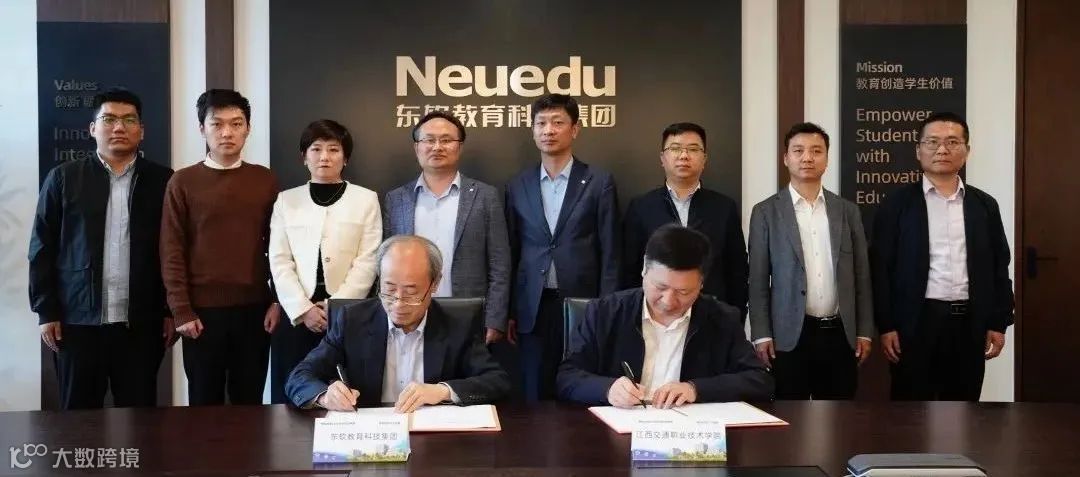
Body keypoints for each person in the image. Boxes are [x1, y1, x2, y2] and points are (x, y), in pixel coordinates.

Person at [29, 88, 174, 409]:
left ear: (141, 130)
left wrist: (170, 310)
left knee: (140, 418)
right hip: (77, 323)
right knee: (78, 417)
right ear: (93, 128)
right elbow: (42, 248)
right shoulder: (64, 178)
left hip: (142, 323)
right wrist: (46, 311)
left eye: (129, 120)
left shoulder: (165, 182)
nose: (119, 127)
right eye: (109, 119)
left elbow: (175, 252)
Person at [872, 112, 1014, 401]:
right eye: (932, 142)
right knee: (910, 410)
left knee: (963, 407)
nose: (942, 150)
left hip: (969, 323)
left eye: (952, 142)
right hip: (915, 323)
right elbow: (881, 268)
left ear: (967, 150)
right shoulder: (896, 204)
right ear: (918, 150)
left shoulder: (984, 205)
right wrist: (886, 325)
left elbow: (999, 267)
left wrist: (998, 322)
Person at [285, 235, 512, 411]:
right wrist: (325, 396)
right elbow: (299, 377)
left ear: (434, 284)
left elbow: (497, 381)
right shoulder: (352, 320)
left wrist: (442, 391)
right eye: (389, 289)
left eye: (411, 292)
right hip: (371, 437)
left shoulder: (457, 325)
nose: (398, 303)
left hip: (434, 438)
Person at [558, 224, 772, 407]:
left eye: (683, 292)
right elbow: (567, 377)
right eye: (660, 287)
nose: (669, 301)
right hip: (618, 430)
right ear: (644, 269)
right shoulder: (605, 313)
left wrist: (695, 389)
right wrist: (607, 389)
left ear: (701, 283)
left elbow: (759, 380)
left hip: (690, 431)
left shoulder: (721, 319)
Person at [160, 88, 281, 405]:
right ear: (202, 129)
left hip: (255, 310)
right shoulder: (182, 182)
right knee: (204, 402)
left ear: (248, 129)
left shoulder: (265, 181)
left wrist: (277, 301)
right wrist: (181, 310)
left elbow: (280, 247)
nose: (227, 132)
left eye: (236, 124)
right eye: (217, 124)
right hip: (201, 313)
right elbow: (171, 250)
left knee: (249, 402)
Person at [505, 93, 620, 400]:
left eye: (557, 122)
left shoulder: (598, 181)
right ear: (532, 130)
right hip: (533, 305)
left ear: (575, 129)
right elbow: (512, 250)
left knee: (580, 388)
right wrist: (510, 310)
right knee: (534, 392)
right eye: (541, 123)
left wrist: (607, 306)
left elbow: (611, 252)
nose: (548, 130)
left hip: (583, 303)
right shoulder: (518, 184)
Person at [748, 122, 874, 400]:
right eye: (799, 151)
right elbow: (757, 280)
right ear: (786, 158)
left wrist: (865, 331)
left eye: (816, 151)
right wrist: (761, 334)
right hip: (788, 335)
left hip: (840, 333)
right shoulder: (765, 212)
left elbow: (862, 276)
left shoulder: (847, 211)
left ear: (826, 159)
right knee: (790, 413)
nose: (807, 157)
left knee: (839, 416)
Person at [268, 119, 382, 404]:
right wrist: (303, 309)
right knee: (293, 393)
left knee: (347, 394)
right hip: (297, 314)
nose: (324, 157)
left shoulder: (366, 199)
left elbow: (368, 259)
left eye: (333, 149)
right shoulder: (286, 201)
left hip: (348, 314)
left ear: (346, 158)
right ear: (304, 157)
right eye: (316, 149)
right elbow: (280, 260)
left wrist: (337, 307)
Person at [384, 111, 511, 344]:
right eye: (429, 140)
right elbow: (386, 265)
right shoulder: (397, 199)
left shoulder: (485, 196)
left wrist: (495, 318)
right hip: (410, 315)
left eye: (446, 140)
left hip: (468, 314)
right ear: (417, 148)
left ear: (459, 147)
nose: (437, 147)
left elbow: (499, 264)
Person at [622, 122, 748, 318]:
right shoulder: (641, 207)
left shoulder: (724, 207)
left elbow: (737, 269)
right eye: (675, 148)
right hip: (656, 314)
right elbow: (629, 269)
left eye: (693, 149)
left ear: (704, 159)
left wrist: (735, 317)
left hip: (711, 314)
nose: (684, 155)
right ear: (662, 158)